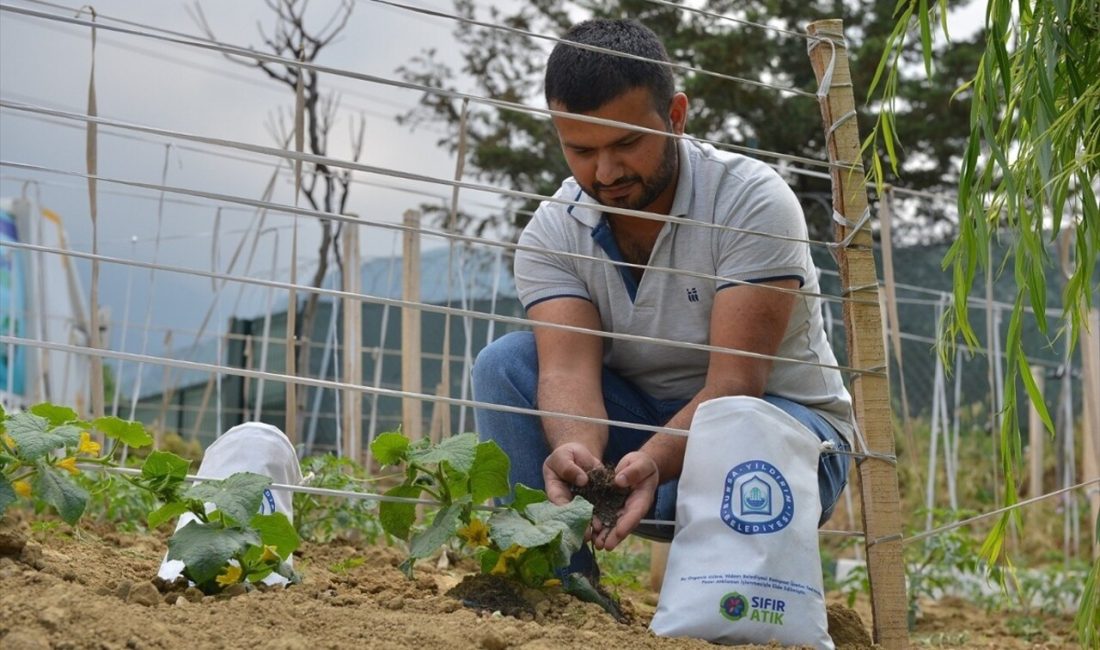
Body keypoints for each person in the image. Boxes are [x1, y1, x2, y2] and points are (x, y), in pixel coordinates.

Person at [471, 18, 854, 573]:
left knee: (747, 432)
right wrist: (579, 452)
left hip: (778, 442)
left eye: (627, 143)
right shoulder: (553, 232)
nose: (605, 172)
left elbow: (735, 387)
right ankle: (558, 584)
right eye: (580, 149)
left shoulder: (749, 201)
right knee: (504, 365)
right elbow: (567, 372)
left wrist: (653, 460)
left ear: (676, 116)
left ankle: (727, 599)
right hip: (640, 446)